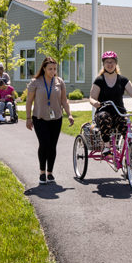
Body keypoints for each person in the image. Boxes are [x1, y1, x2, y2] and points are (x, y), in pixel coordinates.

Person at [88, 51, 132, 157]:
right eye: (107, 62)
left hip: (119, 113)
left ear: (116, 63)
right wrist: (95, 102)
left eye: (112, 62)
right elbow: (91, 97)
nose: (110, 64)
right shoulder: (99, 80)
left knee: (130, 131)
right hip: (103, 113)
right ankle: (106, 145)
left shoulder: (123, 80)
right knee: (104, 117)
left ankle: (131, 156)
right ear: (103, 64)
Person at [25, 56, 75, 185]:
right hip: (39, 118)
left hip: (56, 118)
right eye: (50, 69)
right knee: (44, 144)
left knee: (52, 146)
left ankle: (50, 173)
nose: (53, 71)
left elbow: (64, 100)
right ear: (44, 68)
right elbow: (29, 101)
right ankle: (42, 172)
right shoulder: (35, 82)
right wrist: (28, 118)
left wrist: (69, 114)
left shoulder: (59, 82)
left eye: (55, 69)